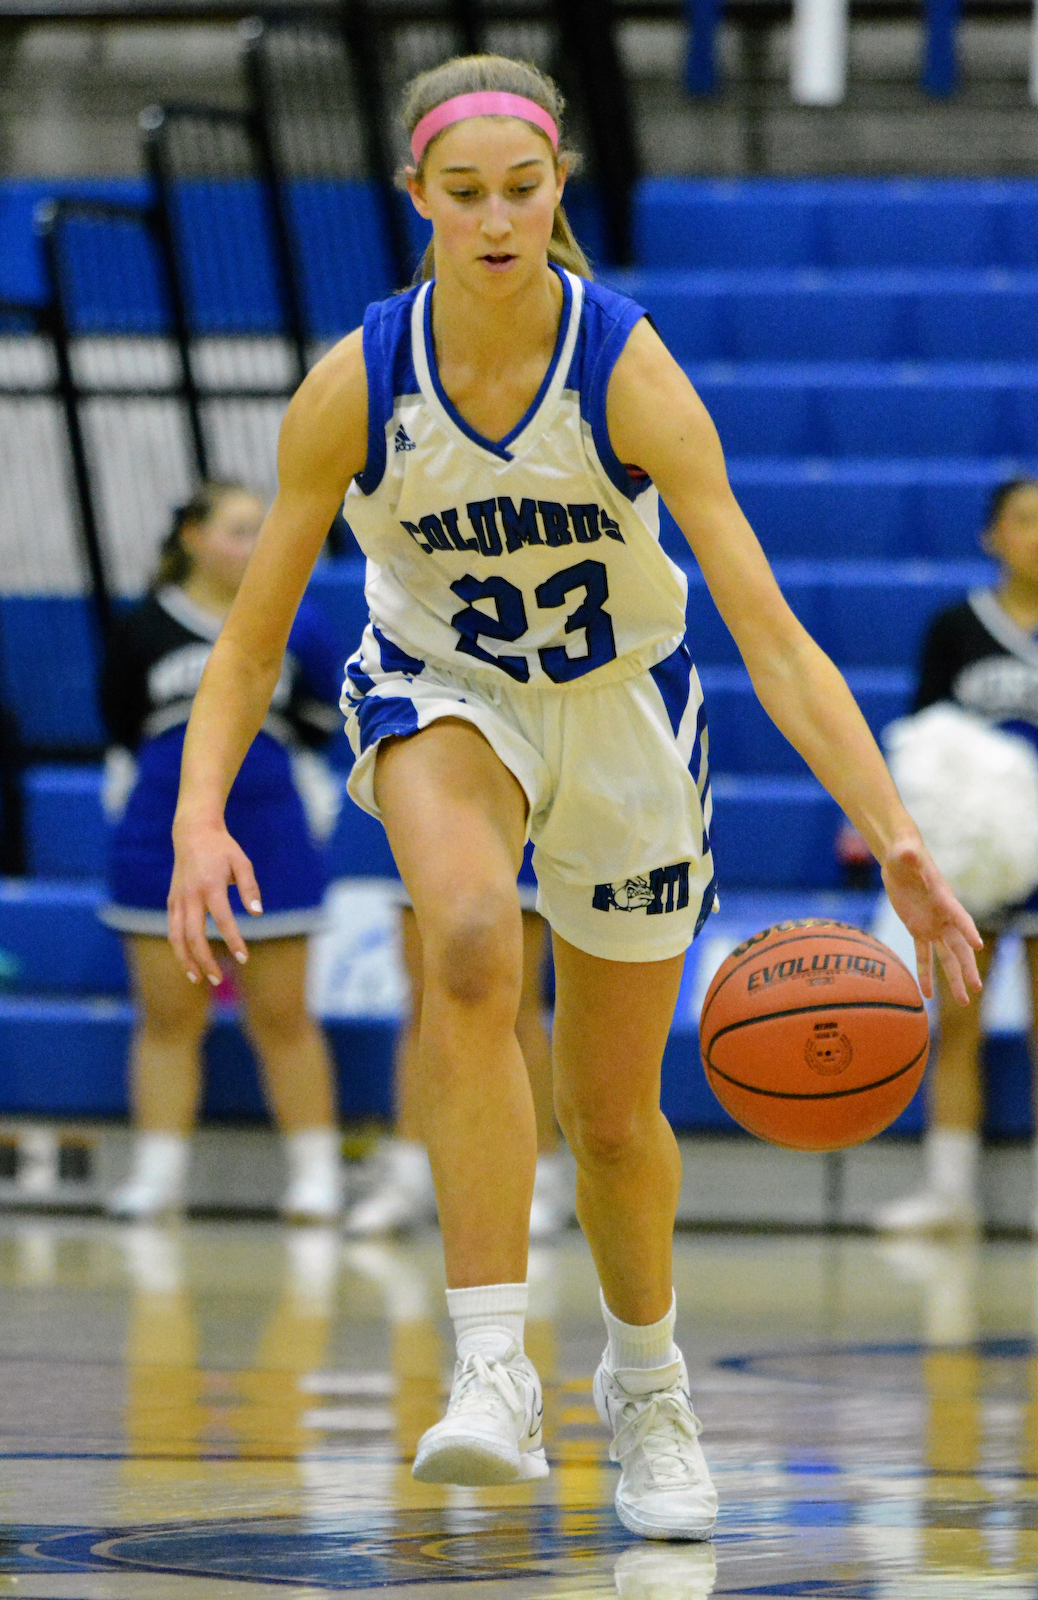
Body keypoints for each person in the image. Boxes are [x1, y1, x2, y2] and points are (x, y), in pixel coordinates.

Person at [166, 56, 981, 1541]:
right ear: (414, 197)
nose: (495, 220)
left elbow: (772, 643)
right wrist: (198, 814)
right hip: (442, 690)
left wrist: (898, 839)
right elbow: (249, 639)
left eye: (521, 189)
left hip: (619, 711)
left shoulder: (626, 372)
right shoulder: (355, 385)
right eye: (462, 193)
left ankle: (647, 1387)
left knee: (608, 1118)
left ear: (558, 190)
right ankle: (491, 1366)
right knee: (472, 940)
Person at [100, 482, 345, 1222]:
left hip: (270, 835)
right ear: (193, 538)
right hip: (161, 837)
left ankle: (317, 1175)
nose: (254, 544)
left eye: (260, 530)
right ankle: (158, 1177)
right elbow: (120, 723)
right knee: (168, 1017)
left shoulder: (299, 622)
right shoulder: (144, 628)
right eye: (238, 530)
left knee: (284, 1015)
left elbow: (322, 719)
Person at [875, 478, 1038, 1238]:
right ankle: (949, 1194)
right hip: (973, 863)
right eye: (1025, 520)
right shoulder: (956, 626)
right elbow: (920, 742)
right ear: (993, 536)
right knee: (956, 1026)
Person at [345, 854, 572, 1239]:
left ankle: (539, 1178)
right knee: (424, 1000)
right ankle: (410, 1175)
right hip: (430, 817)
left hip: (516, 821)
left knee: (515, 1002)